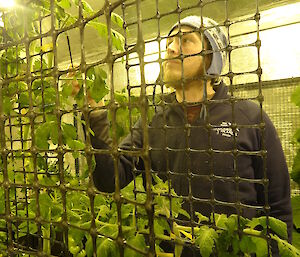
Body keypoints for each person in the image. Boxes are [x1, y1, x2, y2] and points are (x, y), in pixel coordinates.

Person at [79, 16, 292, 255]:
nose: (170, 48)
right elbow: (110, 179)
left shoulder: (249, 116)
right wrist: (95, 115)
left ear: (211, 56)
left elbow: (278, 208)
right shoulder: (153, 120)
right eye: (169, 42)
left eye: (184, 40)